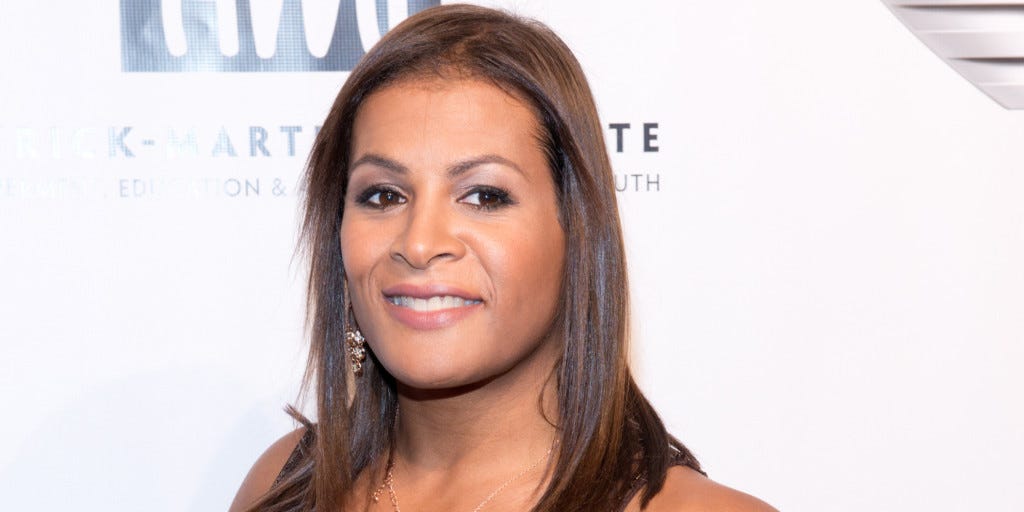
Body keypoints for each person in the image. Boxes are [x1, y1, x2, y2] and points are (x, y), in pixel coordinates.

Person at [229, 4, 776, 511]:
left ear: (577, 230)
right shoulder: (285, 485)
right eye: (384, 195)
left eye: (485, 196)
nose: (418, 243)